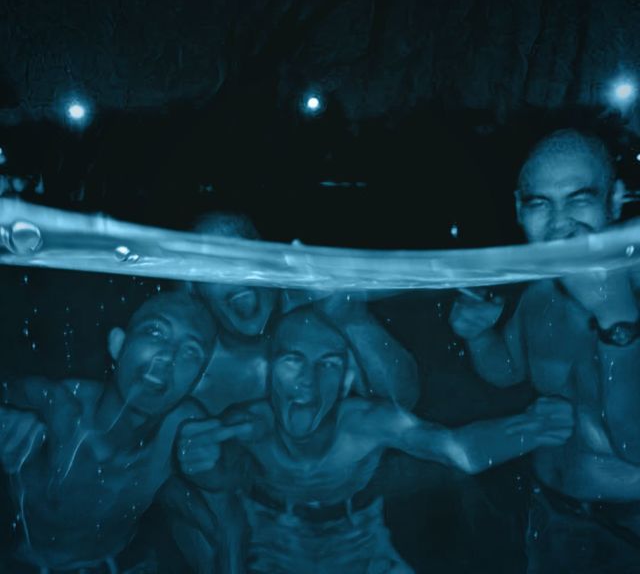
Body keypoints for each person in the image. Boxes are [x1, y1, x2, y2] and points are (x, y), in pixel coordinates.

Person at [176, 305, 574, 574]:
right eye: (292, 361)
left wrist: (533, 427)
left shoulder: (367, 421)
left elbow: (460, 451)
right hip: (275, 544)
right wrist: (198, 462)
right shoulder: (249, 424)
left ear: (346, 380)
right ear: (268, 374)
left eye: (328, 364)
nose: (308, 381)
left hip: (363, 542)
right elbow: (220, 476)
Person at [162, 211, 421, 573]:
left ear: (269, 260)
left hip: (359, 526)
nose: (233, 271)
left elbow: (401, 401)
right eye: (211, 264)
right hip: (260, 532)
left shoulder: (320, 307)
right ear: (193, 287)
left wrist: (350, 315)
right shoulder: (192, 366)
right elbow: (185, 492)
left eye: (244, 254)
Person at [449, 128, 640, 572]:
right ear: (519, 208)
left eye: (579, 200)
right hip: (553, 511)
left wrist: (617, 318)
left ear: (614, 200)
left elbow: (634, 444)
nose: (559, 223)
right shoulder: (540, 294)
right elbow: (507, 371)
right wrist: (479, 335)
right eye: (540, 204)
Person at [0, 291, 216, 572]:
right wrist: (7, 419)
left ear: (197, 381)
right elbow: (9, 390)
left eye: (191, 352)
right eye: (155, 332)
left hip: (118, 563)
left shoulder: (185, 429)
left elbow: (227, 509)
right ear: (118, 344)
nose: (167, 357)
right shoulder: (58, 407)